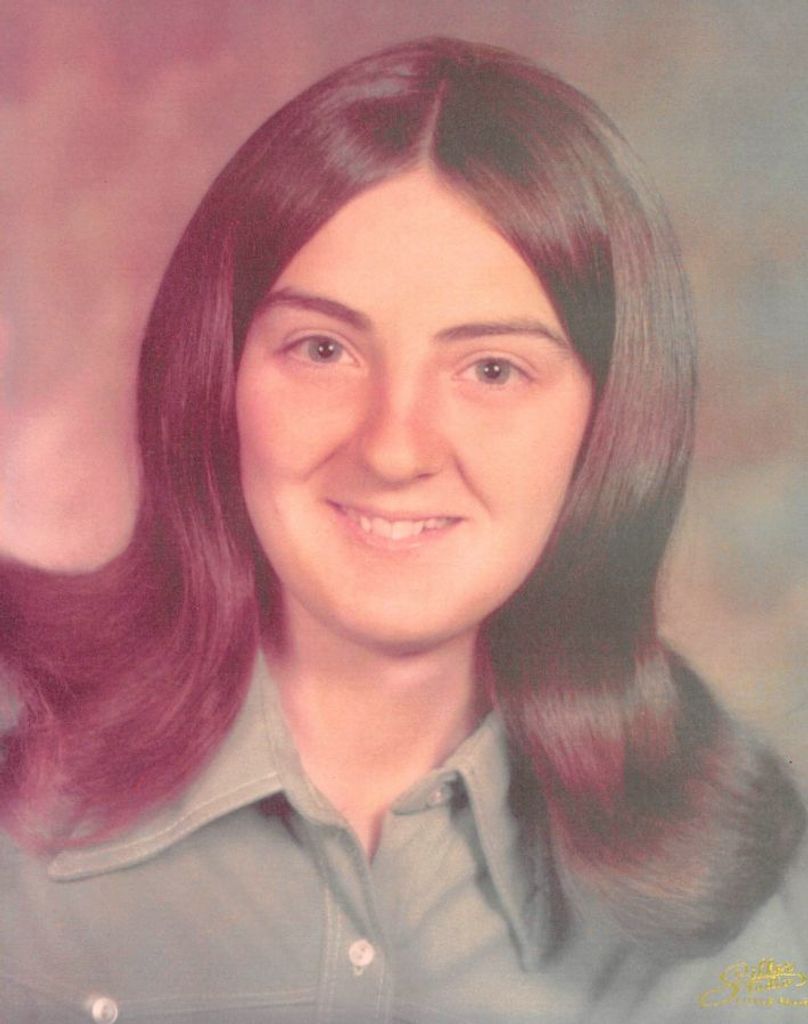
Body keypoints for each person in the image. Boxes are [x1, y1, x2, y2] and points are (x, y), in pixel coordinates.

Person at [0, 36, 805, 1024]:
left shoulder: (726, 877)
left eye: (492, 370)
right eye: (323, 349)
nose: (392, 448)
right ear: (217, 375)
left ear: (608, 422)